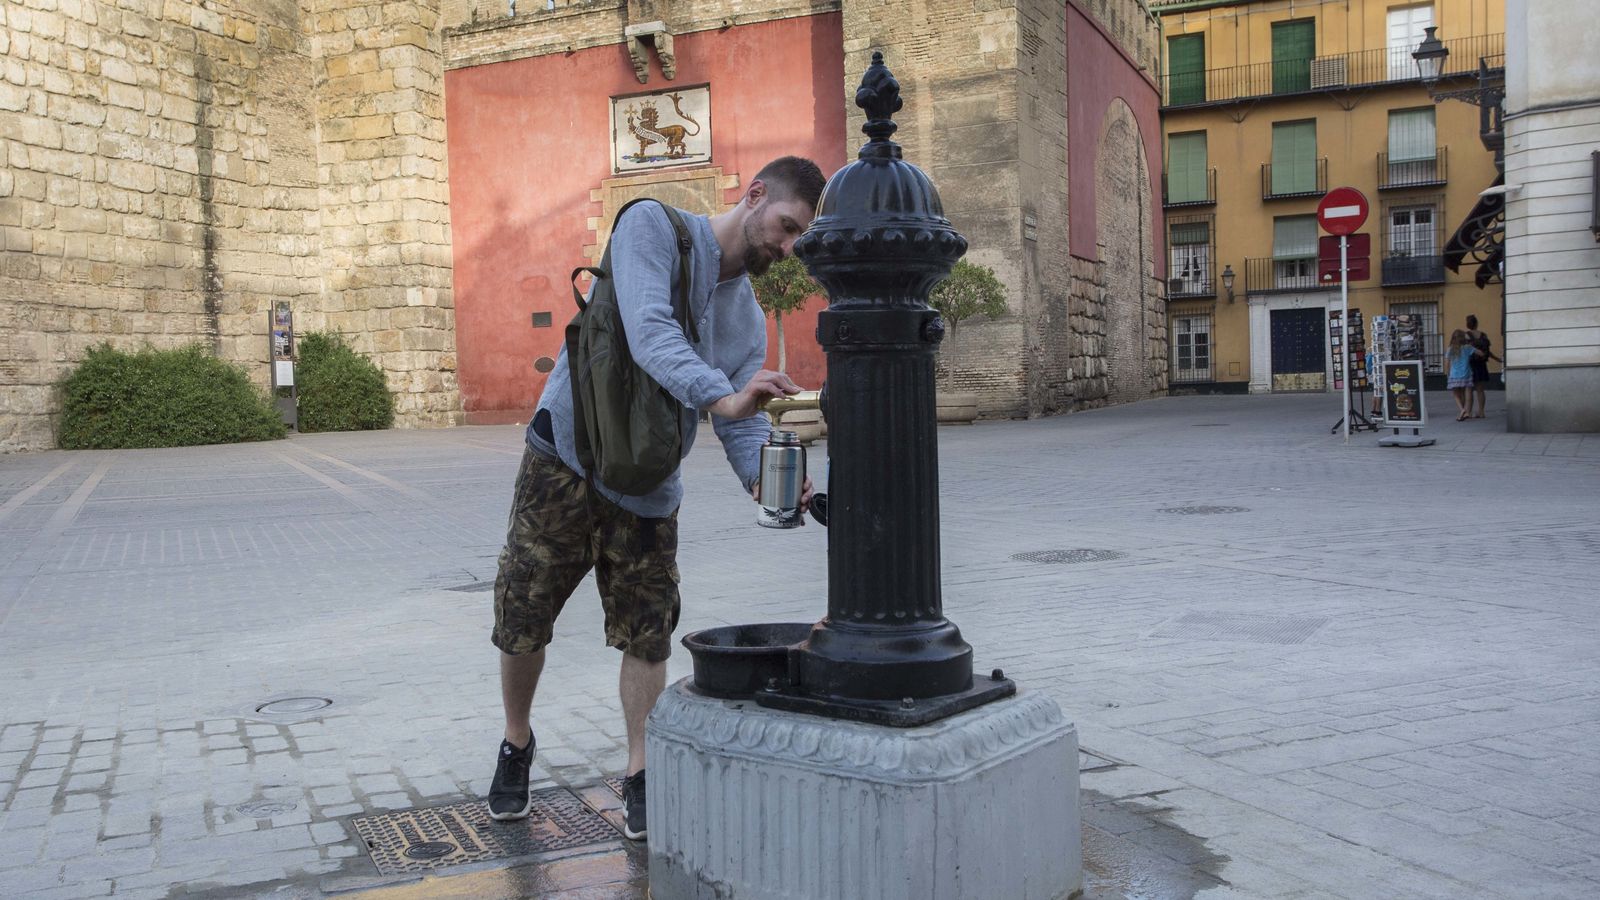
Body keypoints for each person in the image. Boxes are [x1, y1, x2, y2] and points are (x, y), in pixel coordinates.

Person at [487, 156, 826, 841]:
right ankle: (516, 740)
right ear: (755, 195)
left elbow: (742, 420)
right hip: (567, 459)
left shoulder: (747, 320)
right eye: (786, 226)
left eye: (799, 241)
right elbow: (649, 335)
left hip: (646, 486)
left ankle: (641, 771)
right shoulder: (649, 226)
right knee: (523, 617)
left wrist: (766, 480)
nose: (787, 248)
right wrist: (724, 395)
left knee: (648, 632)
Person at [1464, 314, 1501, 419]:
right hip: (1481, 364)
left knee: (1469, 389)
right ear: (1477, 323)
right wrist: (1497, 359)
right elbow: (1487, 351)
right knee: (1480, 389)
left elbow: (1463, 351)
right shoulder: (1483, 335)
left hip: (1469, 364)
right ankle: (1481, 412)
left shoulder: (1466, 336)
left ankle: (1469, 412)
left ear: (1467, 324)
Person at [1445, 328, 1485, 421]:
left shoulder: (1450, 349)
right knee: (1467, 393)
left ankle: (1462, 410)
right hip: (1466, 373)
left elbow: (1447, 362)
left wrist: (1447, 373)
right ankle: (1467, 411)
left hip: (1454, 375)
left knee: (1456, 394)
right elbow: (1481, 354)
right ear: (1463, 338)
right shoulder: (1468, 347)